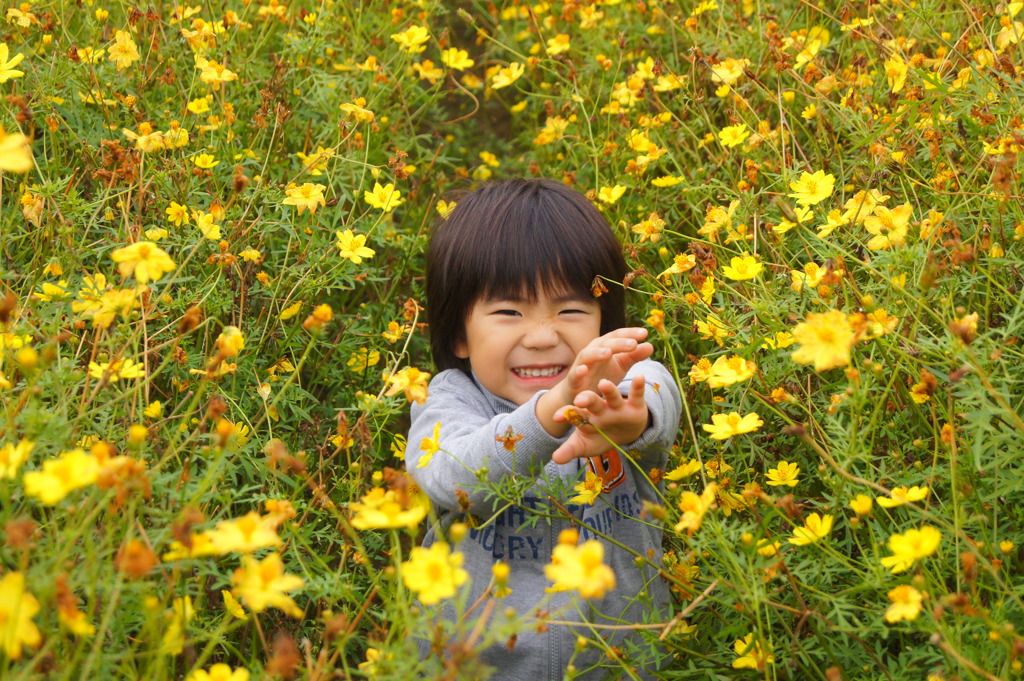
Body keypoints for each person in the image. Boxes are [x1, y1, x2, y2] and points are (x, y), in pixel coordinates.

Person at [406, 178, 682, 680]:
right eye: (508, 311)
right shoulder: (449, 398)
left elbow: (657, 384)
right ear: (458, 334)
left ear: (603, 321)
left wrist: (633, 418)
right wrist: (550, 411)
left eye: (570, 310)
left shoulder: (616, 388)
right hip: (470, 668)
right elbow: (454, 477)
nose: (542, 336)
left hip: (620, 665)